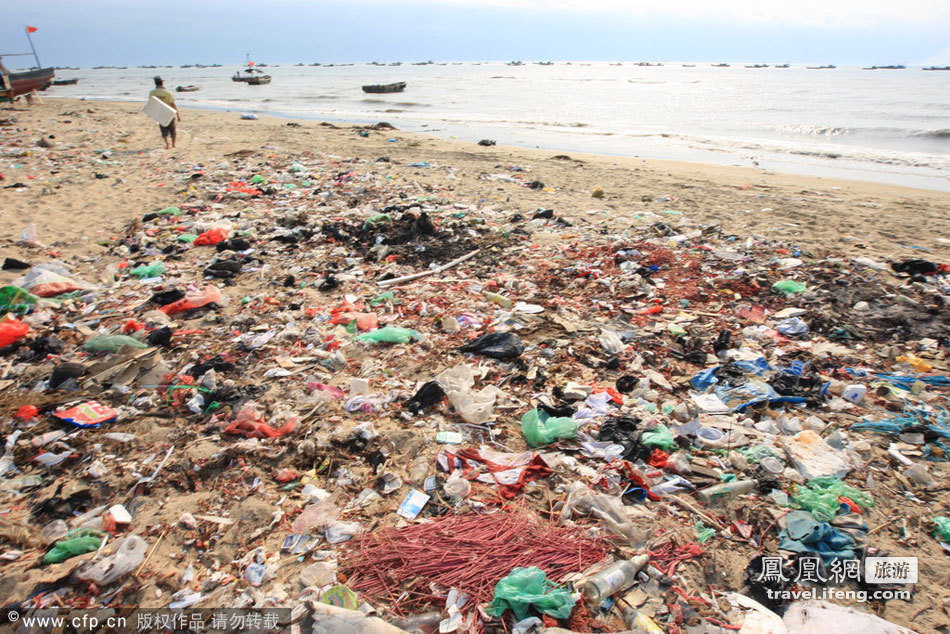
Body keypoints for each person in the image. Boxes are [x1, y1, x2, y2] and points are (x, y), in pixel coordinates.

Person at [148, 76, 181, 149]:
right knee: (172, 129)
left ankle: (167, 144)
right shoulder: (168, 93)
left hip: (160, 113)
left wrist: (153, 113)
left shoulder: (152, 93)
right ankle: (173, 144)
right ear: (162, 82)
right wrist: (178, 115)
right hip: (169, 112)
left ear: (155, 83)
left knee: (163, 129)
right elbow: (172, 104)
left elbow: (152, 103)